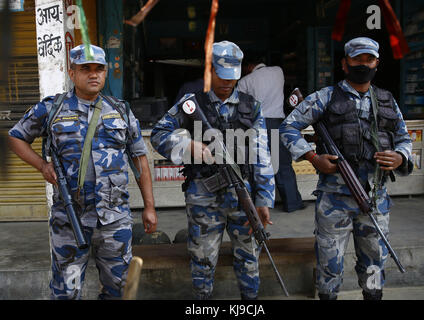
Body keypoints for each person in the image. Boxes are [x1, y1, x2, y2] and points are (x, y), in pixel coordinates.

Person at [8, 44, 158, 299]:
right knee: (66, 292)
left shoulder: (121, 110)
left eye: (99, 69)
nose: (93, 74)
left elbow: (139, 159)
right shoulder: (52, 109)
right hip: (69, 218)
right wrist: (42, 165)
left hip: (113, 219)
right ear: (72, 73)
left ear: (105, 72)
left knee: (118, 290)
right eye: (85, 69)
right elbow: (16, 137)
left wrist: (150, 206)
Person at [279, 37, 413, 300]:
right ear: (345, 63)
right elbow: (288, 127)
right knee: (330, 266)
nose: (363, 64)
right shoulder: (325, 98)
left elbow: (404, 137)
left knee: (375, 263)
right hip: (334, 201)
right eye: (357, 59)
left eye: (369, 59)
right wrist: (312, 157)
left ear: (376, 63)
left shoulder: (386, 101)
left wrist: (400, 156)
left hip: (375, 200)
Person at [150, 41, 275, 300]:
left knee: (250, 259)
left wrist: (264, 199)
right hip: (203, 198)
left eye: (233, 77)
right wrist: (188, 146)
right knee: (202, 262)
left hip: (244, 197)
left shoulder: (252, 107)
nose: (227, 83)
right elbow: (158, 134)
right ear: (210, 70)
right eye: (222, 75)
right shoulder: (191, 103)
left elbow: (262, 154)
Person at [237, 52, 305, 212]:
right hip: (277, 123)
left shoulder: (245, 81)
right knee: (282, 165)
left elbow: (240, 105)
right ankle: (293, 203)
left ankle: (257, 205)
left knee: (255, 166)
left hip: (256, 125)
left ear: (248, 67)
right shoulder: (278, 72)